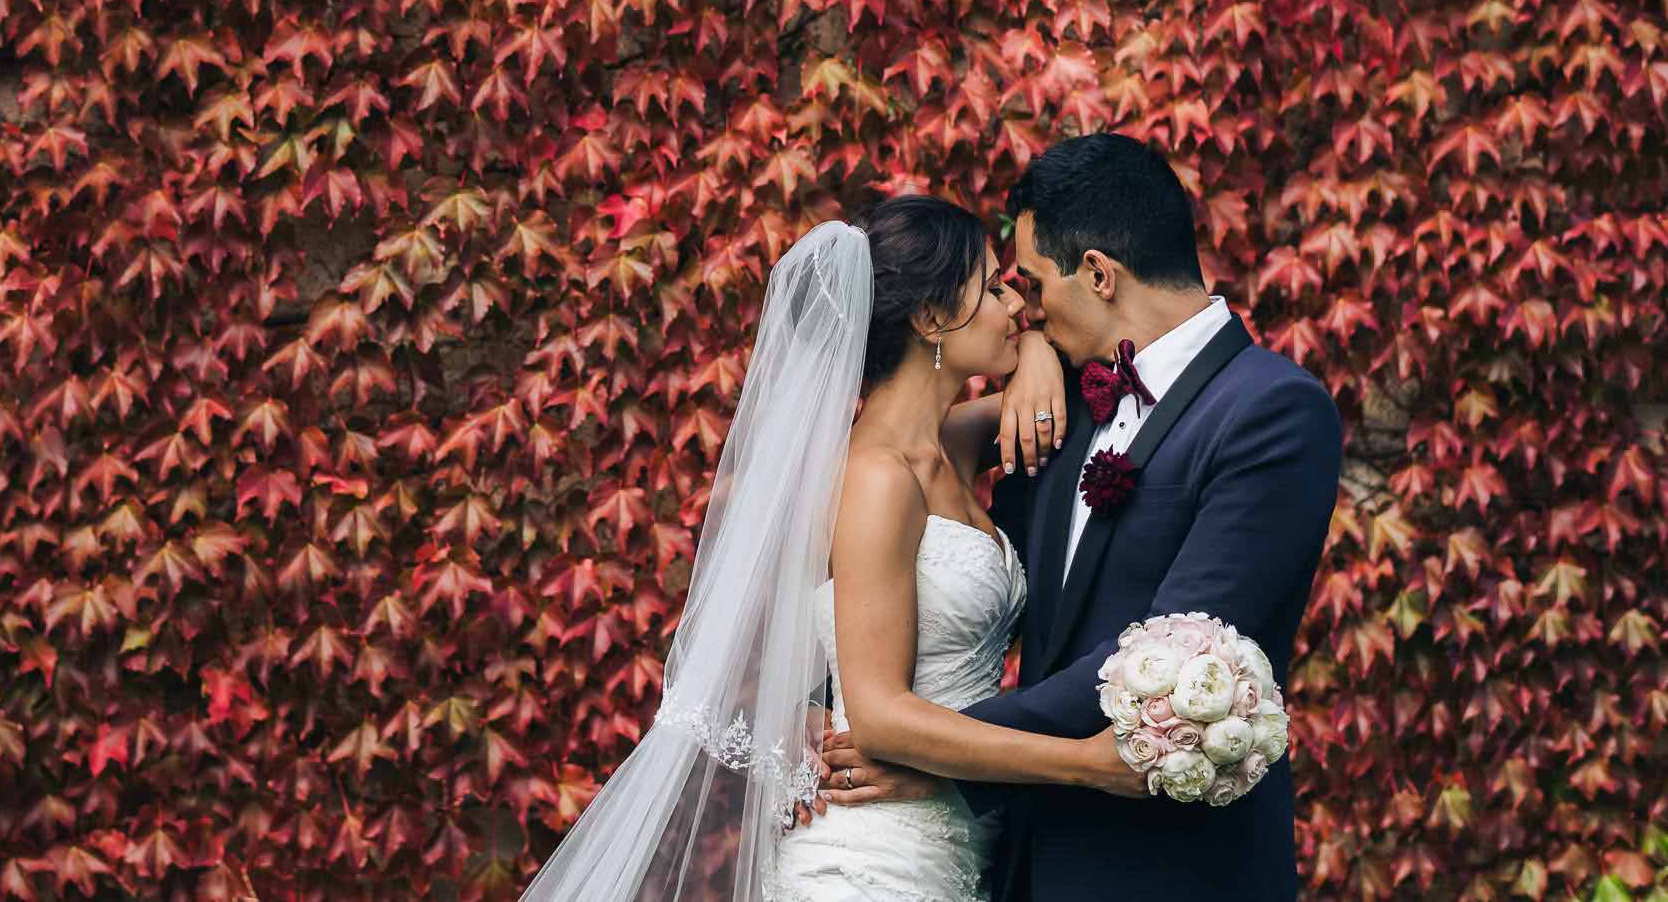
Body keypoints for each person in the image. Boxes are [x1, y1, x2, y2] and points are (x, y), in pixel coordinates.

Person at [519, 194, 1142, 902]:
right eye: (994, 288)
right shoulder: (877, 478)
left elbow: (1068, 388)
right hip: (871, 862)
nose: (1017, 306)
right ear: (932, 318)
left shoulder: (951, 447)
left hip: (951, 849)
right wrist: (1084, 764)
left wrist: (1033, 350)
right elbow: (878, 714)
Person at [813, 134, 1343, 902]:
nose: (1022, 308)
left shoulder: (1272, 412)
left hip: (1164, 867)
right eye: (1005, 292)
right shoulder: (1057, 397)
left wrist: (936, 752)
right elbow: (841, 571)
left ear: (1098, 273)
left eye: (1027, 284)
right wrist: (817, 712)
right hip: (1006, 858)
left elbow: (1178, 651)